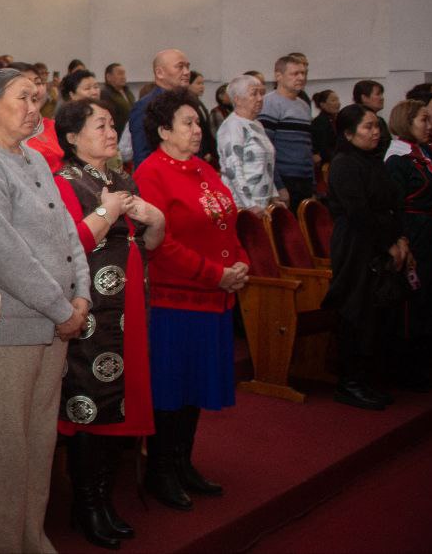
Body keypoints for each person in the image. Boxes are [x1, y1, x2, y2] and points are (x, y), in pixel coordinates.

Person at [0, 68, 86, 553]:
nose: (35, 108)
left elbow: (67, 231)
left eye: (38, 98)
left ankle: (31, 539)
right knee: (6, 459)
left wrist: (82, 295)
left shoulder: (32, 158)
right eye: (24, 98)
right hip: (11, 329)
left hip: (53, 327)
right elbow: (5, 253)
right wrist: (61, 306)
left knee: (38, 449)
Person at [53, 99, 167, 548]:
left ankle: (103, 497)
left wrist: (156, 219)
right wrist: (109, 213)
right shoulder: (64, 181)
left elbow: (150, 244)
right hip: (94, 311)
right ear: (72, 137)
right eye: (99, 125)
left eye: (112, 124)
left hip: (131, 305)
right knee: (91, 401)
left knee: (120, 399)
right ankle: (87, 504)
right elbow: (70, 244)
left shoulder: (121, 176)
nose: (110, 131)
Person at [133, 89, 248, 511]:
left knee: (196, 388)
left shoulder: (203, 168)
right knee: (171, 390)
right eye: (187, 123)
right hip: (175, 300)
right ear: (163, 130)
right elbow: (161, 244)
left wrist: (240, 264)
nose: (197, 130)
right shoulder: (151, 173)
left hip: (214, 298)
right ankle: (161, 469)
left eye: (198, 122)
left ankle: (184, 462)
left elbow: (227, 223)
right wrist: (216, 274)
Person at [321, 104, 407, 410]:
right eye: (367, 127)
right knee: (356, 309)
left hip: (380, 240)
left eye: (376, 126)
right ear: (348, 132)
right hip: (356, 244)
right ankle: (350, 382)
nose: (375, 132)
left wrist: (399, 238)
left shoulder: (372, 161)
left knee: (378, 310)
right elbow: (359, 212)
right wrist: (388, 243)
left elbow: (393, 203)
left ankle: (368, 377)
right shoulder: (344, 164)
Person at [383, 100, 432, 391]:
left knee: (428, 296)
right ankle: (406, 367)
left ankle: (423, 360)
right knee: (412, 298)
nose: (429, 126)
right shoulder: (398, 158)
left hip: (429, 231)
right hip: (413, 231)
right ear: (407, 122)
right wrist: (402, 239)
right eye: (423, 120)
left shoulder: (423, 153)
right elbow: (394, 206)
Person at [216, 75, 286, 215]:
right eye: (254, 94)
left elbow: (266, 165)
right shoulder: (232, 126)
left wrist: (273, 196)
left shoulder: (257, 124)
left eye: (261, 93)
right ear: (237, 99)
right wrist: (250, 205)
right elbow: (233, 169)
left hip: (262, 204)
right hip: (241, 207)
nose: (260, 98)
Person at [260, 56, 314, 206]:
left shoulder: (303, 105)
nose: (301, 78)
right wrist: (278, 186)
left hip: (304, 178)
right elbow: (266, 148)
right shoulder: (269, 103)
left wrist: (312, 181)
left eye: (303, 73)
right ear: (278, 76)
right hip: (284, 178)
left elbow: (307, 146)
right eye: (295, 73)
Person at [130, 49, 192, 166]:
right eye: (180, 67)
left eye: (188, 67)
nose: (187, 72)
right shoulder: (145, 106)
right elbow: (142, 155)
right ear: (159, 73)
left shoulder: (188, 102)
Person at [11, 62, 63, 171]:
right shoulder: (5, 135)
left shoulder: (54, 126)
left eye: (38, 83)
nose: (35, 90)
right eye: (26, 84)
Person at [353, 79, 391, 158]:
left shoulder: (380, 120)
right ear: (364, 98)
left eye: (382, 94)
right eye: (378, 94)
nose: (382, 98)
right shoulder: (354, 120)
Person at [310, 89, 341, 166]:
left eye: (338, 100)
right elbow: (323, 146)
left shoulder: (338, 119)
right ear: (323, 104)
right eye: (333, 100)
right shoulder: (319, 121)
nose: (338, 103)